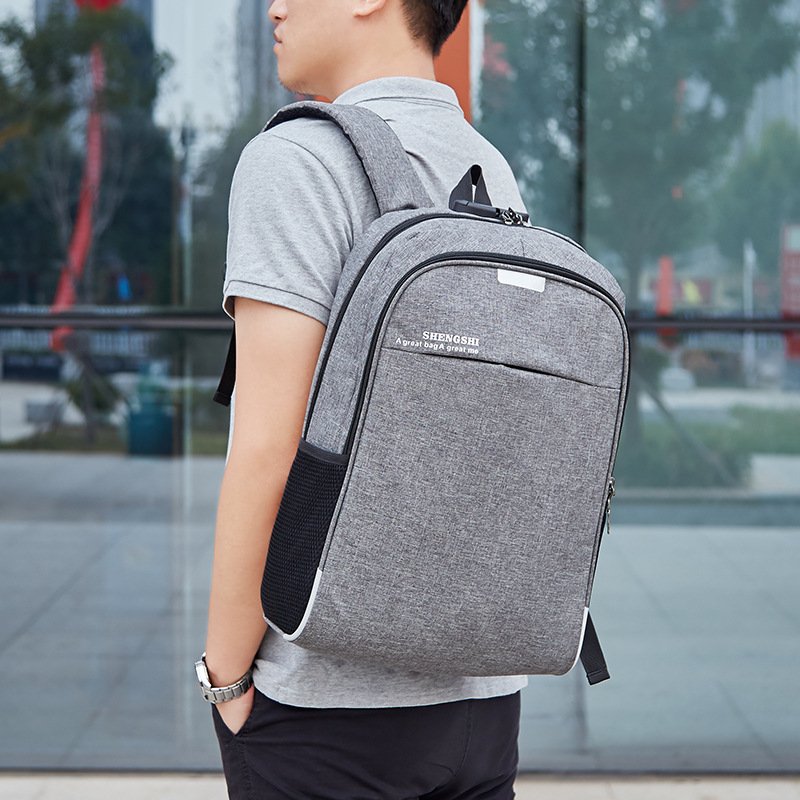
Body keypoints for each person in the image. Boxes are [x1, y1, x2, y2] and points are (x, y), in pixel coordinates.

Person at [201, 0, 530, 796]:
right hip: (485, 701)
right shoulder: (490, 168)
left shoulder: (298, 160)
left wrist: (224, 677)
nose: (274, 7)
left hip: (328, 711)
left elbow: (269, 450)